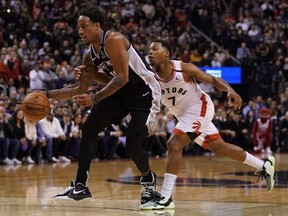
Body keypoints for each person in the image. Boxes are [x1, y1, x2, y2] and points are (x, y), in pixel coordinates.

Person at [42, 6, 161, 205]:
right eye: (78, 27)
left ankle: (148, 182)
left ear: (97, 26)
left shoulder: (114, 40)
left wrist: (95, 98)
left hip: (145, 94)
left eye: (84, 26)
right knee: (89, 128)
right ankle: (80, 186)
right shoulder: (89, 55)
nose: (80, 31)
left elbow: (122, 77)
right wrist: (45, 95)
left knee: (132, 147)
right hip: (121, 92)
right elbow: (80, 89)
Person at [139, 39, 276, 210]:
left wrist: (229, 90)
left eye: (154, 49)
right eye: (149, 50)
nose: (150, 52)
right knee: (220, 148)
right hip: (183, 115)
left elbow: (212, 79)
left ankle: (166, 196)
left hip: (200, 106)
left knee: (174, 144)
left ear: (166, 54)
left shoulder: (184, 68)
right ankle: (263, 165)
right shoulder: (149, 77)